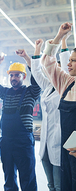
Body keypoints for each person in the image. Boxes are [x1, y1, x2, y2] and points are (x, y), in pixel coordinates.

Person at [0, 53, 41, 190]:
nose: (13, 78)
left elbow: (38, 78)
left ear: (24, 76)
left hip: (23, 142)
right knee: (9, 177)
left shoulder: (31, 92)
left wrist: (26, 58)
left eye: (17, 75)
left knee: (27, 177)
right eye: (11, 75)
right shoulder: (5, 93)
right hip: (6, 141)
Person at [40, 22, 76, 191]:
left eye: (73, 61)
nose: (68, 64)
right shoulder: (67, 83)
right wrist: (59, 36)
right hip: (66, 153)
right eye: (69, 60)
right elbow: (47, 63)